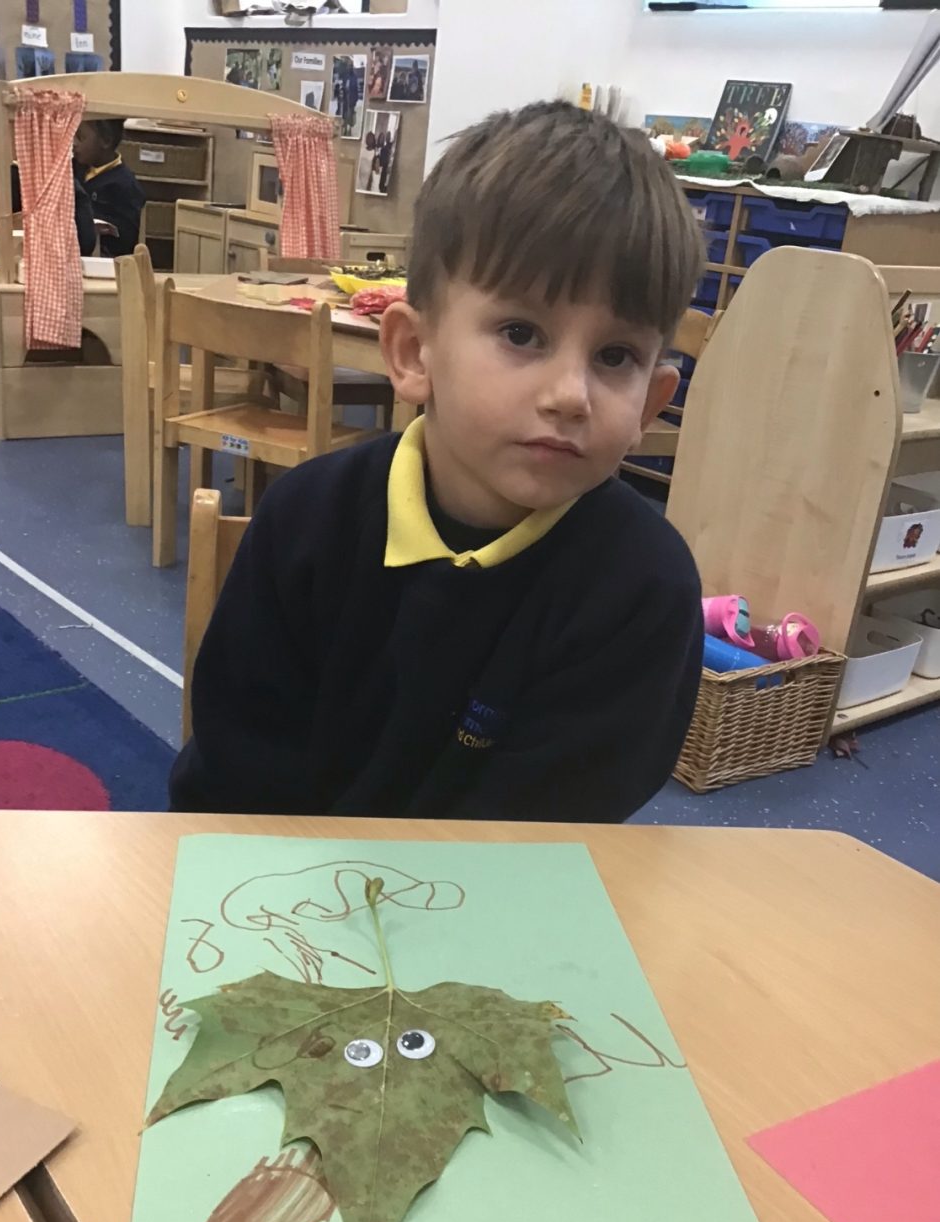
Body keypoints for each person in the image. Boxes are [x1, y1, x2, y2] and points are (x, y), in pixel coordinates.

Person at [171, 102, 705, 824]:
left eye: (616, 356)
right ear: (414, 354)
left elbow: (552, 840)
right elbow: (235, 779)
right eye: (522, 334)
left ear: (651, 404)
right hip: (275, 877)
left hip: (495, 890)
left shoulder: (644, 589)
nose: (570, 396)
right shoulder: (306, 520)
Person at [72, 118, 146, 258]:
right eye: (73, 135)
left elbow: (126, 238)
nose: (74, 143)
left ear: (106, 141)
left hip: (102, 259)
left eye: (81, 137)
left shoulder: (125, 185)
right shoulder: (74, 168)